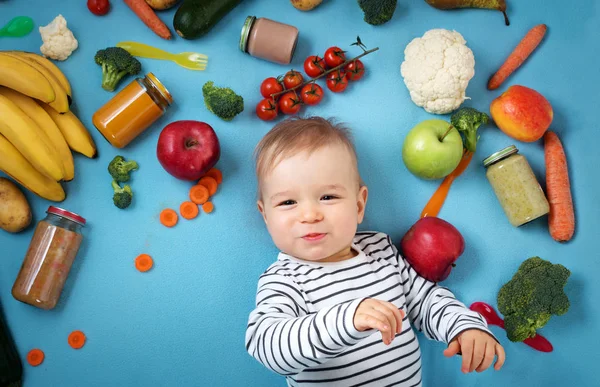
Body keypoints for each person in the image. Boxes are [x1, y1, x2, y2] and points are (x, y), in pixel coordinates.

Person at [245, 117, 505, 386]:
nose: (310, 214)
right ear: (266, 216)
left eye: (328, 197)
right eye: (288, 202)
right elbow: (268, 346)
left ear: (359, 205)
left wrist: (465, 326)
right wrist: (346, 320)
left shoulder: (381, 252)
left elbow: (426, 301)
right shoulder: (284, 279)